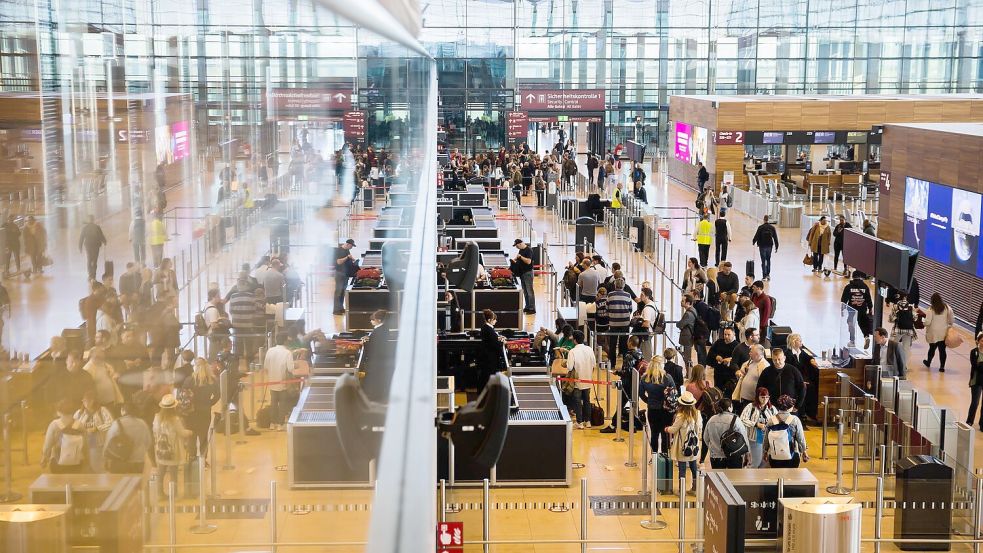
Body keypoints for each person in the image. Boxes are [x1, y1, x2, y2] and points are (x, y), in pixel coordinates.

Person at [153, 394, 193, 498]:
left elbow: (154, 431)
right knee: (173, 474)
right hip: (173, 450)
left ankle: (159, 493)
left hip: (161, 450)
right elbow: (182, 433)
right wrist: (190, 432)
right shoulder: (175, 420)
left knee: (160, 473)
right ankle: (173, 494)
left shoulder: (157, 418)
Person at [181, 358, 220, 455]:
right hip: (205, 411)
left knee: (191, 438)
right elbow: (217, 395)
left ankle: (192, 459)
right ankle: (203, 461)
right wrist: (209, 403)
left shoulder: (189, 380)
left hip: (191, 412)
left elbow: (183, 396)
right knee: (203, 437)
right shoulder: (212, 380)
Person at [666, 391, 702, 495]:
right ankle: (695, 488)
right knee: (693, 467)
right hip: (693, 445)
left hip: (682, 445)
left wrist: (667, 429)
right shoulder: (697, 414)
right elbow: (699, 429)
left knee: (682, 468)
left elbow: (673, 429)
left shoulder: (681, 416)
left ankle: (682, 490)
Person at [638, 354, 677, 451]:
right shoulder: (667, 378)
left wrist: (648, 401)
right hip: (666, 410)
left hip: (652, 409)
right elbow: (674, 393)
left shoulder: (644, 378)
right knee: (665, 435)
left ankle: (654, 456)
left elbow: (641, 393)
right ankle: (664, 456)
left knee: (654, 435)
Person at [103, 401, 152, 474]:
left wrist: (105, 458)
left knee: (119, 483)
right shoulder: (142, 423)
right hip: (138, 460)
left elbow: (108, 441)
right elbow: (148, 442)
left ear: (123, 411)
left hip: (120, 460)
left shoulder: (117, 423)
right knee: (135, 483)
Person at [41, 400, 87, 474]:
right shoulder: (79, 425)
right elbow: (85, 445)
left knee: (58, 483)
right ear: (72, 412)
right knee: (75, 483)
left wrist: (44, 459)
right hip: (77, 462)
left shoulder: (54, 425)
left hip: (58, 462)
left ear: (59, 412)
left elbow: (47, 445)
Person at [763, 394, 809, 468]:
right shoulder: (795, 420)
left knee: (777, 476)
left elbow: (766, 438)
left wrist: (765, 452)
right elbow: (800, 438)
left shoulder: (771, 420)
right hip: (792, 454)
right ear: (789, 408)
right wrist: (804, 451)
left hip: (774, 455)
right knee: (791, 477)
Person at [74, 391, 114, 472]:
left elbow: (111, 423)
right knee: (85, 468)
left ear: (94, 401)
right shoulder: (79, 413)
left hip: (97, 444)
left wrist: (97, 428)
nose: (86, 403)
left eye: (89, 400)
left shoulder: (102, 410)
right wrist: (79, 428)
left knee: (97, 466)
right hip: (82, 444)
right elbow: (73, 425)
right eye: (84, 401)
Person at [783, 334, 819, 423]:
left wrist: (811, 360)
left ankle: (810, 413)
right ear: (794, 342)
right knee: (806, 388)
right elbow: (789, 372)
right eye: (799, 340)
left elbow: (808, 357)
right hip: (793, 380)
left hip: (802, 378)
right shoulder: (788, 354)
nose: (801, 342)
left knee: (813, 387)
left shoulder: (800, 351)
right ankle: (802, 413)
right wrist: (801, 381)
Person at [705, 399, 749, 469]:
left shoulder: (711, 420)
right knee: (734, 479)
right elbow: (744, 437)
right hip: (734, 455)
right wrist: (747, 453)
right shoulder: (735, 419)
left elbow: (706, 438)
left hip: (716, 457)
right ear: (729, 408)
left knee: (718, 479)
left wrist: (713, 448)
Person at [757, 349, 806, 413]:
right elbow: (759, 388)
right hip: (771, 407)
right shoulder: (767, 371)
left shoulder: (793, 370)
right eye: (774, 360)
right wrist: (762, 403)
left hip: (789, 408)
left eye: (779, 359)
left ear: (784, 358)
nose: (777, 362)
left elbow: (802, 388)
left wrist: (797, 406)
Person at [740, 387, 778, 468]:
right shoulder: (751, 407)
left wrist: (771, 425)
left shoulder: (772, 409)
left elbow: (777, 420)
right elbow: (742, 419)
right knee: (754, 462)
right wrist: (756, 424)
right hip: (754, 439)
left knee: (764, 463)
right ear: (758, 397)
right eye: (762, 397)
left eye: (767, 397)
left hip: (768, 439)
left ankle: (760, 478)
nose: (765, 400)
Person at [566, 330, 597, 429]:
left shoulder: (573, 351)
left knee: (577, 401)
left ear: (574, 340)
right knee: (587, 400)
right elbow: (594, 364)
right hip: (588, 379)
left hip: (577, 381)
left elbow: (570, 367)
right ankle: (588, 421)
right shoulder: (589, 349)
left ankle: (579, 422)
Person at [263, 334, 294, 430]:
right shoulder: (287, 353)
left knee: (273, 402)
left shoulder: (270, 351)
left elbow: (266, 366)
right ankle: (280, 424)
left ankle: (272, 423)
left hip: (272, 381)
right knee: (283, 403)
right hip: (282, 382)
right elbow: (291, 368)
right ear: (285, 341)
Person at [841, 271, 874, 349]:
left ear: (853, 277)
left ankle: (852, 341)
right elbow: (868, 299)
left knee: (850, 324)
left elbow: (844, 300)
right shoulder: (865, 286)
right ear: (860, 277)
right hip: (862, 309)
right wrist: (870, 308)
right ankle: (866, 337)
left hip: (852, 310)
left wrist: (842, 309)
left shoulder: (848, 287)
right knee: (863, 324)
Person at [923, 293, 954, 372]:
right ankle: (942, 367)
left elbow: (927, 322)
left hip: (933, 333)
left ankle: (928, 362)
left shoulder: (931, 309)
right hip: (943, 332)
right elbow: (951, 320)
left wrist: (922, 321)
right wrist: (949, 325)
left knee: (932, 348)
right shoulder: (947, 307)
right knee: (942, 350)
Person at [606, 279, 634, 367]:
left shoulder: (610, 295)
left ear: (615, 285)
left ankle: (613, 364)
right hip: (625, 323)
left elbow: (607, 309)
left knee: (613, 344)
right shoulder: (628, 295)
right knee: (624, 344)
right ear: (623, 286)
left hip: (613, 323)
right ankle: (625, 365)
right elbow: (630, 309)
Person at [478, 309, 506, 391]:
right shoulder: (488, 329)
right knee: (487, 377)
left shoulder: (486, 328)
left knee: (485, 377)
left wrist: (498, 338)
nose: (496, 321)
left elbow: (492, 340)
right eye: (494, 319)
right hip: (490, 358)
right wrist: (502, 342)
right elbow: (493, 344)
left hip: (487, 357)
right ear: (489, 320)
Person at [735, 345, 768, 412]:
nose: (749, 353)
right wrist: (739, 373)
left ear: (757, 354)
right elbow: (742, 371)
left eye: (751, 352)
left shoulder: (765, 366)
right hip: (744, 398)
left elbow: (765, 384)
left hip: (754, 400)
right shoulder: (750, 361)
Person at [708, 326, 739, 396]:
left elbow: (739, 360)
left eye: (728, 335)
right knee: (717, 391)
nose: (726, 337)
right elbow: (711, 353)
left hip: (730, 374)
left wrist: (731, 359)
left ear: (734, 334)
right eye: (725, 334)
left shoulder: (737, 346)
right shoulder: (719, 342)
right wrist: (716, 356)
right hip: (718, 372)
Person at [890, 291, 917, 361]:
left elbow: (891, 319)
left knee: (893, 346)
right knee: (906, 348)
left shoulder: (896, 306)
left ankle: (893, 362)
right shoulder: (910, 307)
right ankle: (904, 366)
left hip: (898, 329)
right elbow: (915, 318)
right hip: (908, 329)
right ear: (906, 297)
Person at [79, 215, 107, 281]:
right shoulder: (97, 227)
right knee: (94, 261)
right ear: (93, 220)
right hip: (96, 246)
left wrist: (80, 247)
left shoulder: (85, 228)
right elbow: (101, 235)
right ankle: (93, 276)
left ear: (89, 220)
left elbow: (81, 238)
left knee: (89, 260)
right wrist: (104, 241)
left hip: (88, 246)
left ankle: (90, 275)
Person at [333, 239, 357, 314]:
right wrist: (347, 257)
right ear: (347, 244)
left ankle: (341, 308)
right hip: (340, 274)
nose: (351, 248)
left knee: (343, 292)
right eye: (351, 246)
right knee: (338, 292)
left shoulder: (347, 250)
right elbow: (338, 262)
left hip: (345, 274)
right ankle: (336, 310)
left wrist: (353, 259)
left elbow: (350, 258)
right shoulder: (338, 251)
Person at [751, 215, 779, 280]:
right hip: (769, 245)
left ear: (763, 220)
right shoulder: (772, 227)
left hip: (762, 246)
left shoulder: (760, 227)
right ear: (768, 220)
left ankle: (764, 276)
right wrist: (776, 246)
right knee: (768, 259)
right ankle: (768, 274)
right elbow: (775, 238)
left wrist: (753, 242)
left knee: (763, 261)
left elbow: (756, 236)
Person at [512, 239, 536, 314]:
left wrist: (521, 257)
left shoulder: (529, 250)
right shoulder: (521, 250)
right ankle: (527, 306)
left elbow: (528, 261)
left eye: (517, 246)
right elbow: (518, 258)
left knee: (529, 291)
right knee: (525, 291)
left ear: (520, 244)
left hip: (528, 273)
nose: (517, 247)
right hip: (522, 273)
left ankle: (532, 308)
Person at [676, 295, 697, 371]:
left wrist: (678, 324)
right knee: (686, 356)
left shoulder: (688, 314)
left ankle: (689, 373)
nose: (681, 302)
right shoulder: (693, 310)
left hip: (687, 337)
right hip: (689, 335)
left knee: (687, 357)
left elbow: (681, 324)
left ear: (688, 303)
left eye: (683, 301)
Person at [967, 333, 983, 431]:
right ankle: (969, 421)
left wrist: (980, 364)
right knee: (975, 402)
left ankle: (982, 424)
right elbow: (975, 366)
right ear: (978, 341)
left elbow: (979, 365)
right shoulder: (974, 352)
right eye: (982, 341)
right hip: (976, 380)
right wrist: (980, 365)